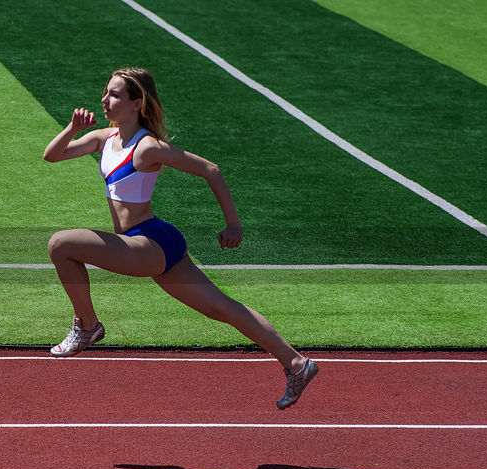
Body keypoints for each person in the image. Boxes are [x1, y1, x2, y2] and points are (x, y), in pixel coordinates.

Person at [41, 67, 318, 410]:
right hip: (159, 241)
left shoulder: (147, 148)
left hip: (146, 244)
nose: (104, 99)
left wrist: (233, 224)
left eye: (114, 95)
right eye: (105, 92)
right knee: (221, 308)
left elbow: (210, 169)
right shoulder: (105, 139)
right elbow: (52, 155)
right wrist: (72, 128)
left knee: (61, 244)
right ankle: (296, 363)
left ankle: (88, 325)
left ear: (137, 103)